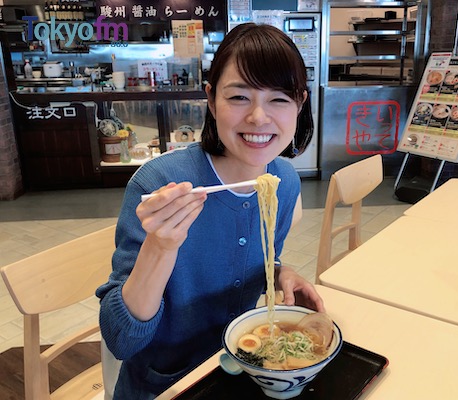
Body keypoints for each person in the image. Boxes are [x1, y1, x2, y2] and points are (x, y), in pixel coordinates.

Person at [96, 22, 326, 399]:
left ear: (300, 103)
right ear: (211, 98)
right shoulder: (161, 182)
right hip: (164, 385)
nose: (257, 117)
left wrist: (283, 271)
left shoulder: (283, 181)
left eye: (279, 99)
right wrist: (160, 246)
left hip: (239, 371)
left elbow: (256, 255)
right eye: (238, 97)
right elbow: (121, 340)